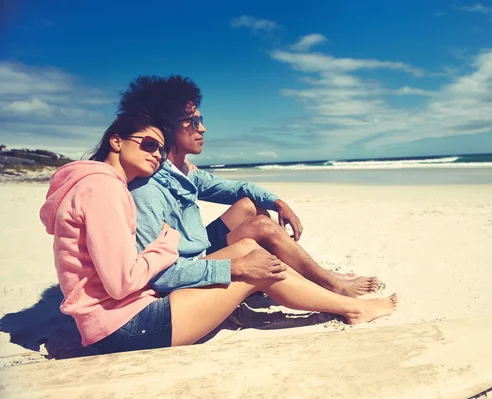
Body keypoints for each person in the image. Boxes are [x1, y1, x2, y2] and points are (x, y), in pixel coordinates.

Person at [40, 103, 398, 355]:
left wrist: (272, 205)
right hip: (124, 328)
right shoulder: (106, 190)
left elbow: (230, 190)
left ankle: (327, 295)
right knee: (253, 267)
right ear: (116, 141)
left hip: (125, 316)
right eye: (148, 145)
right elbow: (125, 282)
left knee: (251, 254)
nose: (155, 155)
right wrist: (167, 247)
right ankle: (349, 308)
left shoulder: (103, 184)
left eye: (159, 149)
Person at [124, 75, 380, 298]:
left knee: (249, 206)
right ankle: (328, 282)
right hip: (188, 266)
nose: (202, 128)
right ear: (167, 128)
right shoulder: (150, 181)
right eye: (192, 122)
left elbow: (239, 189)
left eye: (201, 120)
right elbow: (157, 269)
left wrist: (278, 202)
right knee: (263, 226)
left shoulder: (188, 173)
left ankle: (296, 275)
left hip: (198, 248)